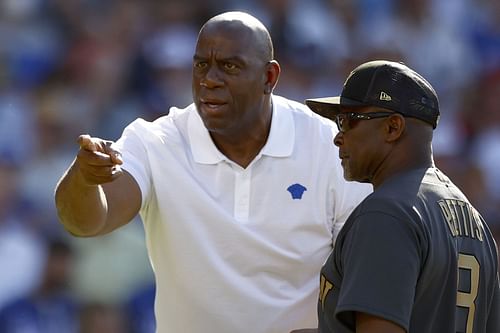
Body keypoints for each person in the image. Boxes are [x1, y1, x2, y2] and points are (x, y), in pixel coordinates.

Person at [54, 11, 372, 333]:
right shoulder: (155, 142)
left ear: (269, 78)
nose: (210, 79)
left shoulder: (329, 145)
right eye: (201, 65)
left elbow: (369, 269)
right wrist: (85, 179)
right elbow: (85, 222)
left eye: (230, 66)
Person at [293, 60, 500, 333]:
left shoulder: (386, 213)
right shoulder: (473, 218)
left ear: (393, 127)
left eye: (348, 121)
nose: (338, 137)